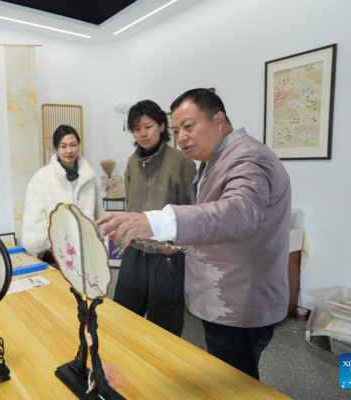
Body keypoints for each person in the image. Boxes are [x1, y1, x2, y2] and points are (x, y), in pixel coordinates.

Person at [97, 89, 291, 380]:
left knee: (234, 384)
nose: (182, 136)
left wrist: (157, 221)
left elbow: (237, 213)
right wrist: (180, 244)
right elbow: (211, 224)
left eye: (189, 126)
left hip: (239, 303)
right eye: (177, 130)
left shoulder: (248, 157)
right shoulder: (214, 161)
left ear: (218, 119)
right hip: (218, 296)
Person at [113, 100, 197, 336]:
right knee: (124, 315)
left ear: (162, 126)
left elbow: (193, 211)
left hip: (166, 253)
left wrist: (179, 246)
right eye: (137, 129)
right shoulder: (132, 162)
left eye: (148, 126)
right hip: (135, 251)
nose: (143, 133)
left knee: (165, 324)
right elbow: (131, 204)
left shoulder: (180, 162)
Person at [21, 125, 99, 262]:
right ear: (56, 148)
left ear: (79, 146)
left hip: (85, 248)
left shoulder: (89, 177)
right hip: (54, 251)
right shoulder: (42, 177)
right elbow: (34, 216)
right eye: (63, 146)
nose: (69, 150)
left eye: (73, 145)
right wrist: (46, 245)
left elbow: (96, 213)